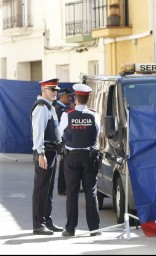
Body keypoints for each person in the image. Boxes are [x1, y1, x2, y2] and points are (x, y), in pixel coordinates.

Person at [59, 83, 101, 237]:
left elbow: (60, 133)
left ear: (75, 98)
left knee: (72, 192)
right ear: (88, 98)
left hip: (71, 157)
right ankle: (95, 229)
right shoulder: (94, 115)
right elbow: (97, 134)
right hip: (89, 157)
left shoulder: (66, 115)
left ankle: (70, 229)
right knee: (91, 192)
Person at [31, 78, 63, 235]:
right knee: (41, 188)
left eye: (56, 89)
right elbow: (38, 133)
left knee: (48, 190)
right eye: (52, 89)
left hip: (52, 151)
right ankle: (38, 224)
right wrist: (41, 153)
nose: (55, 92)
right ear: (43, 89)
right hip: (44, 152)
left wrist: (55, 154)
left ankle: (47, 220)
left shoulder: (49, 107)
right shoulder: (42, 107)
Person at [53, 88, 74, 196]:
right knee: (63, 164)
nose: (70, 98)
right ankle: (62, 188)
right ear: (62, 96)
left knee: (66, 164)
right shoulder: (59, 109)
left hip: (66, 140)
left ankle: (67, 186)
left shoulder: (63, 108)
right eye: (68, 96)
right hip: (62, 141)